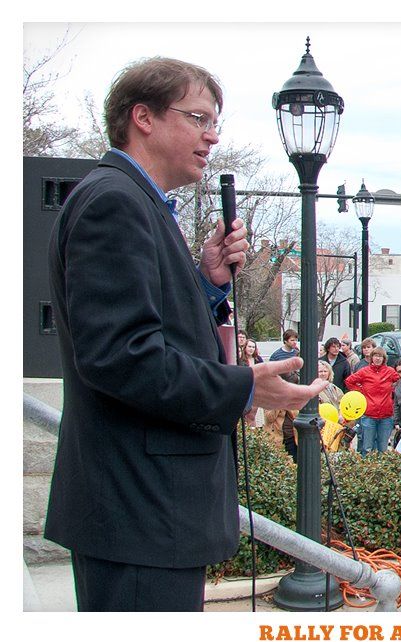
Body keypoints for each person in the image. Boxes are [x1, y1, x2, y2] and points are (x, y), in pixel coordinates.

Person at [43, 57, 328, 612]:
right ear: (142, 116)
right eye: (198, 118)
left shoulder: (136, 204)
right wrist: (243, 387)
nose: (212, 135)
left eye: (214, 121)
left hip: (145, 515)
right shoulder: (114, 204)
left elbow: (154, 332)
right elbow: (122, 359)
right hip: (141, 513)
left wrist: (205, 282)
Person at [344, 347, 400, 455]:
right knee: (367, 448)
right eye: (375, 356)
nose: (378, 358)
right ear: (371, 358)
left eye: (380, 356)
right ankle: (367, 470)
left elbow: (399, 381)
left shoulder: (390, 372)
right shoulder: (364, 371)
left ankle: (382, 470)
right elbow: (349, 381)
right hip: (369, 415)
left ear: (384, 358)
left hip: (386, 415)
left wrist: (392, 389)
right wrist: (361, 391)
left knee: (383, 449)